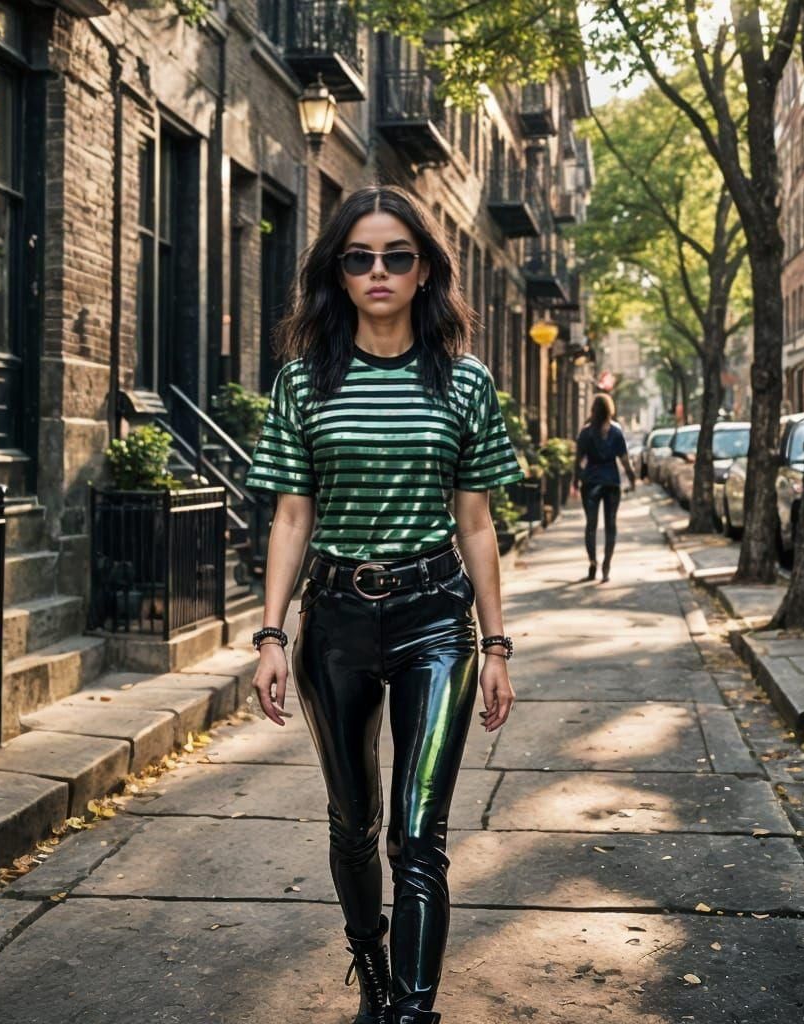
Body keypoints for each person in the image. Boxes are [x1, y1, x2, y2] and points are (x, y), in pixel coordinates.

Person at [243, 185, 523, 1024]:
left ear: (425, 269)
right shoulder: (302, 383)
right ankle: (371, 965)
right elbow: (292, 517)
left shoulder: (465, 382)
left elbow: (477, 524)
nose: (378, 271)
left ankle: (412, 1011)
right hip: (334, 621)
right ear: (337, 271)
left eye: (397, 256)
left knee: (419, 832)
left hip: (437, 620)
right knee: (353, 821)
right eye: (359, 257)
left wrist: (497, 645)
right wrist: (270, 635)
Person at [574, 394, 636, 582]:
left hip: (591, 483)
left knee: (591, 525)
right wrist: (632, 478)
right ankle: (606, 565)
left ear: (593, 409)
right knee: (611, 525)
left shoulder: (586, 432)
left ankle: (593, 562)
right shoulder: (616, 432)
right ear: (610, 409)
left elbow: (578, 461)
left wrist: (575, 482)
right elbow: (624, 460)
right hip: (611, 482)